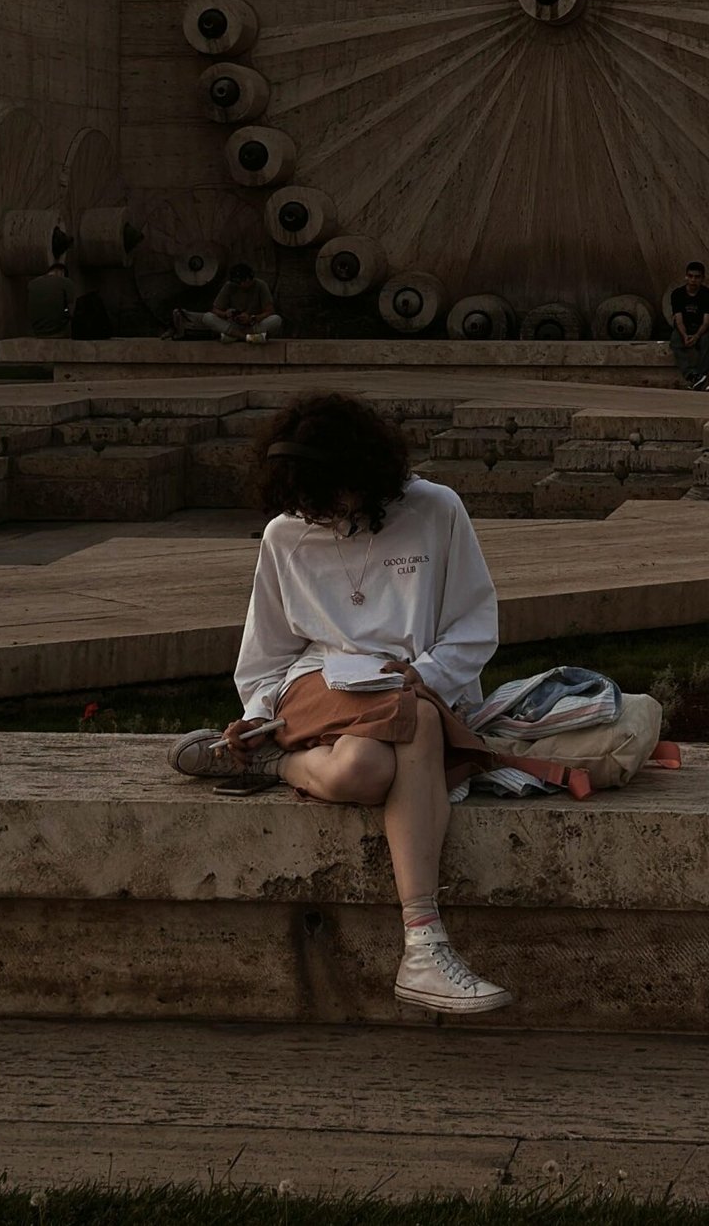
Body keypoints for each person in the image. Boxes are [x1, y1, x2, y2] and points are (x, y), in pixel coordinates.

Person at [167, 392, 509, 1017]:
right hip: (319, 682)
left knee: (366, 771)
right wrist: (258, 712)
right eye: (309, 504)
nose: (322, 514)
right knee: (417, 717)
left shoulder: (436, 509)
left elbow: (473, 621)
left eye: (334, 499)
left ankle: (274, 765)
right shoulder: (285, 534)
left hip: (409, 682)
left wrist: (426, 672)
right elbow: (268, 651)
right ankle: (424, 945)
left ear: (367, 473)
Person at [201, 262, 283, 343]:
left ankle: (234, 336)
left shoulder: (261, 285)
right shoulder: (229, 286)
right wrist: (226, 314)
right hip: (233, 325)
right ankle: (246, 337)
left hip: (252, 325)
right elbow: (215, 310)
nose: (240, 285)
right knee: (207, 317)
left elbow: (270, 311)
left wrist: (252, 318)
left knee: (276, 319)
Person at [668, 262, 709, 387]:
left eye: (697, 277)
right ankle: (690, 374)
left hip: (701, 328)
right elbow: (678, 319)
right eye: (690, 276)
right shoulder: (677, 294)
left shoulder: (708, 295)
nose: (693, 280)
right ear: (686, 277)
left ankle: (701, 375)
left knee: (707, 341)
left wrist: (696, 336)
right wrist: (685, 335)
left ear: (702, 278)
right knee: (675, 340)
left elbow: (706, 321)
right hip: (684, 327)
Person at [26, 257, 72, 339]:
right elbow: (72, 308)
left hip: (37, 332)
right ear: (62, 272)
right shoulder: (66, 281)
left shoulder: (32, 283)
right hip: (59, 332)